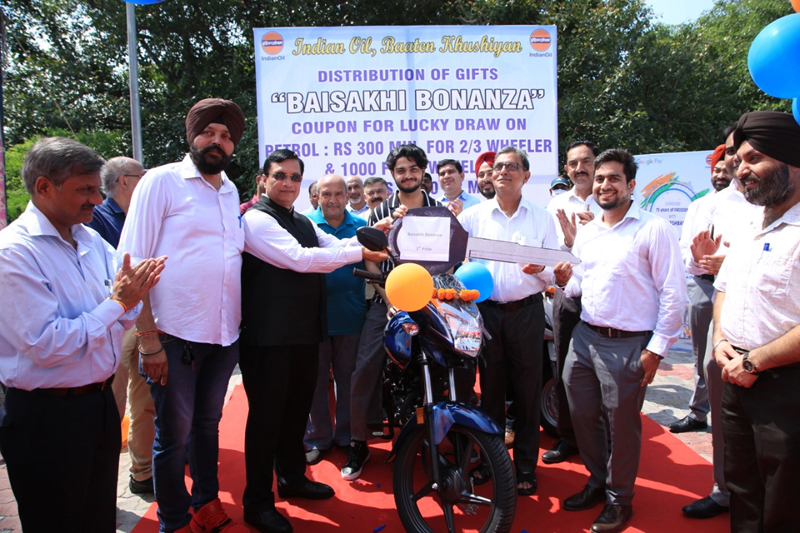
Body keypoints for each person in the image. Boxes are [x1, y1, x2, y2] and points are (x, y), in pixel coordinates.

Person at [0, 137, 164, 532]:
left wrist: (123, 304)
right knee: (57, 521)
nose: (96, 198)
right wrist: (117, 305)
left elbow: (129, 307)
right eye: (85, 189)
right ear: (44, 187)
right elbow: (46, 344)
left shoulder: (90, 239)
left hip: (98, 405)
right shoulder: (13, 253)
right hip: (46, 416)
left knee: (96, 518)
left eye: (95, 188)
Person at [118, 98, 248, 533]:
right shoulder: (160, 182)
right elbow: (131, 265)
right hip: (171, 336)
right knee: (172, 437)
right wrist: (149, 339)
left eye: (226, 135)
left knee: (208, 426)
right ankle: (172, 521)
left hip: (222, 334)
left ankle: (205, 502)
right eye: (209, 131)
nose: (217, 140)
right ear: (191, 135)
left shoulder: (229, 190)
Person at [239, 151, 387, 533]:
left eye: (294, 177)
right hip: (268, 339)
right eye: (280, 176)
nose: (287, 183)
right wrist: (362, 252)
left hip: (304, 334)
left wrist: (377, 234)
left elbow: (332, 246)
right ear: (263, 180)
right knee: (266, 421)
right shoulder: (256, 220)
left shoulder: (302, 219)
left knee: (295, 412)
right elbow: (302, 259)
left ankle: (292, 477)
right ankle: (257, 502)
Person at [556, 148, 686, 533]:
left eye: (613, 178)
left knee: (621, 426)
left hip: (629, 344)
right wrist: (564, 280)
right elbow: (581, 283)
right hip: (584, 339)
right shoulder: (589, 230)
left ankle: (619, 500)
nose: (604, 185)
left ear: (631, 185)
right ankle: (598, 481)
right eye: (599, 178)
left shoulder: (653, 228)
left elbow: (673, 293)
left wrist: (656, 350)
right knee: (582, 416)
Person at [711, 111, 800, 532]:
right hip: (735, 378)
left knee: (784, 501)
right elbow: (724, 287)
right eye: (739, 160)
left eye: (755, 158)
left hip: (787, 389)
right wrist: (719, 341)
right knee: (742, 490)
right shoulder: (748, 222)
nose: (740, 170)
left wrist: (754, 362)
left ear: (792, 161)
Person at [458, 145, 563, 496]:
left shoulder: (541, 218)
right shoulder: (473, 218)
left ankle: (525, 467)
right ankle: (491, 462)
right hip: (485, 314)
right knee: (490, 392)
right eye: (497, 167)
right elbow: (451, 257)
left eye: (512, 166)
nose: (502, 171)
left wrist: (543, 269)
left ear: (526, 176)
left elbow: (556, 270)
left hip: (526, 313)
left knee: (528, 392)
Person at [343, 144, 442, 481]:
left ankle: (446, 437)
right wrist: (391, 303)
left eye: (413, 169)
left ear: (423, 172)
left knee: (449, 361)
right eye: (401, 170)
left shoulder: (440, 210)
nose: (408, 175)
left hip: (432, 300)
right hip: (386, 300)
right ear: (393, 175)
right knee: (366, 366)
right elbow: (371, 258)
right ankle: (359, 440)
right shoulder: (380, 212)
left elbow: (451, 258)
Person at [680, 124, 761, 520]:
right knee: (720, 388)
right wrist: (705, 262)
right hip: (719, 300)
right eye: (733, 153)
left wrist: (737, 261)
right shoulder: (709, 205)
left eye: (751, 154)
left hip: (775, 316)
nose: (738, 161)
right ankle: (725, 488)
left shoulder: (780, 203)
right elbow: (688, 257)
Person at [87, 156, 157, 495]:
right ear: (124, 181)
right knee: (111, 403)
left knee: (146, 398)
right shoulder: (96, 219)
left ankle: (143, 472)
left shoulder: (145, 214)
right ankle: (98, 480)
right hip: (110, 321)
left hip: (143, 317)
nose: (146, 179)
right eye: (140, 175)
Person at [542, 140, 602, 465]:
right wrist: (569, 244)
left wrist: (592, 236)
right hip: (566, 295)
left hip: (605, 296)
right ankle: (568, 437)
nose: (580, 168)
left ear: (596, 163)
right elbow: (552, 252)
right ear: (566, 169)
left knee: (601, 370)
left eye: (586, 161)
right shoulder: (556, 206)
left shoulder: (610, 201)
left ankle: (603, 437)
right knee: (564, 365)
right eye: (573, 163)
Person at [303, 174, 367, 465]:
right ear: (316, 196)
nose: (332, 200)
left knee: (349, 380)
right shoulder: (304, 224)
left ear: (348, 196)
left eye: (338, 194)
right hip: (312, 318)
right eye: (325, 194)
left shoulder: (362, 226)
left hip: (351, 316)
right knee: (314, 382)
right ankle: (319, 438)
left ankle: (346, 436)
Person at [669, 144, 728, 435]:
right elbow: (683, 254)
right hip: (704, 287)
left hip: (738, 290)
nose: (720, 174)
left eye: (725, 169)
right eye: (716, 170)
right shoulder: (699, 207)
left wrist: (728, 261)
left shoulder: (754, 206)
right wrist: (700, 259)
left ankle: (728, 416)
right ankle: (698, 412)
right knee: (702, 356)